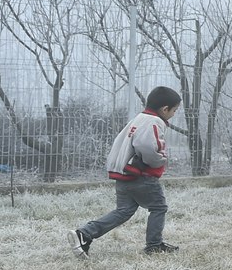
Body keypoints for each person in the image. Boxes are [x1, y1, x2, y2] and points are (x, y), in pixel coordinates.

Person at [69, 86, 182, 258]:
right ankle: (154, 245)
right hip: (141, 175)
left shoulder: (138, 119)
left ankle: (85, 234)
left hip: (123, 175)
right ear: (164, 109)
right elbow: (148, 147)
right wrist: (161, 159)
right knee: (159, 207)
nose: (174, 114)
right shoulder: (154, 122)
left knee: (124, 211)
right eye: (174, 110)